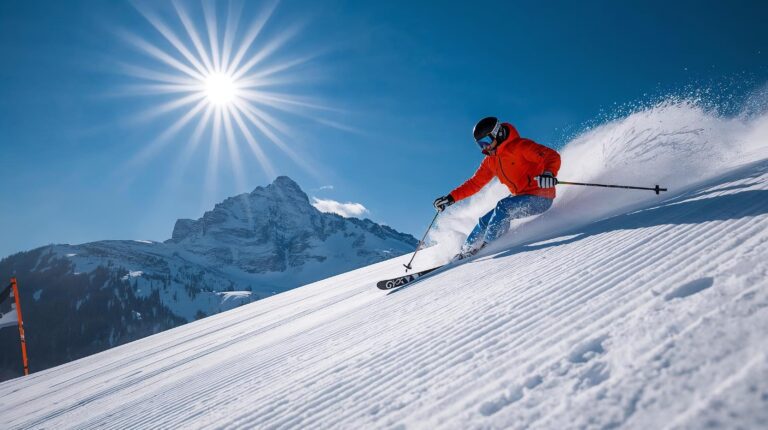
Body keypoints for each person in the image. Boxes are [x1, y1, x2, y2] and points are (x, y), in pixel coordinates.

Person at [433, 116, 561, 260]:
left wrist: (548, 173)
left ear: (497, 134)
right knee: (485, 220)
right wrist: (450, 198)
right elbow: (475, 183)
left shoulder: (521, 147)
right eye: (480, 145)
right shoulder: (490, 161)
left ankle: (489, 246)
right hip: (519, 197)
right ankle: (465, 252)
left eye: (486, 142)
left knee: (503, 207)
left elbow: (551, 156)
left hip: (541, 197)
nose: (484, 147)